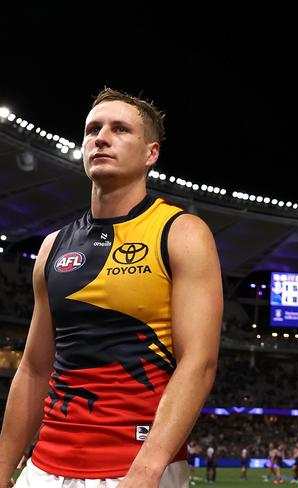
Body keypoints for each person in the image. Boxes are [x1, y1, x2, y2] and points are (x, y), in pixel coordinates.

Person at [0, 87, 223, 488]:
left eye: (120, 129)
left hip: (136, 468)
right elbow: (34, 368)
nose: (100, 138)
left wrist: (146, 469)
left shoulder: (181, 233)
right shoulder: (53, 246)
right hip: (44, 467)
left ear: (151, 153)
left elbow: (199, 363)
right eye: (92, 130)